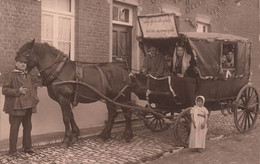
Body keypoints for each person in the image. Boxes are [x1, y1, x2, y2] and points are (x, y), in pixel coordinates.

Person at [2, 55, 39, 156]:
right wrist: (18, 91)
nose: (23, 64)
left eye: (25, 63)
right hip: (16, 106)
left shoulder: (28, 75)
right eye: (21, 62)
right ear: (16, 63)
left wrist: (34, 97)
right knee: (15, 127)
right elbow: (4, 90)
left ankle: (27, 147)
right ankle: (12, 150)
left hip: (28, 105)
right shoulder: (11, 75)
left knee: (28, 126)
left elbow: (32, 88)